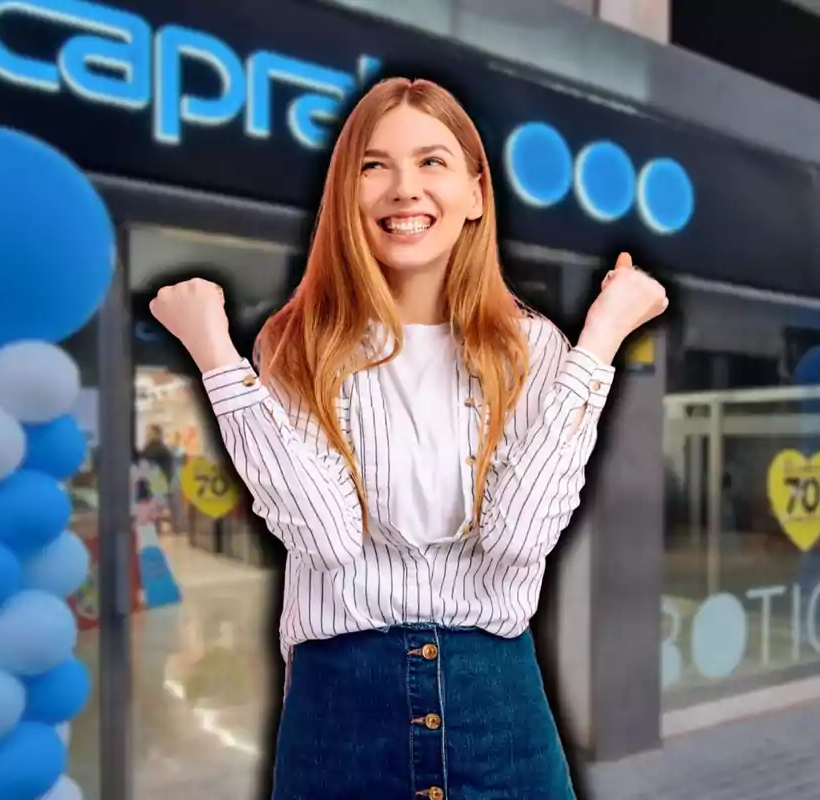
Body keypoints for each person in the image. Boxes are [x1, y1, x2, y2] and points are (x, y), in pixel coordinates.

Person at [150, 77, 667, 799]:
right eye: (374, 165)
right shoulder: (298, 345)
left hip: (498, 703)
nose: (403, 188)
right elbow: (326, 539)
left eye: (431, 162)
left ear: (476, 193)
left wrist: (603, 336)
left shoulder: (532, 348)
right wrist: (215, 354)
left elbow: (519, 537)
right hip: (340, 707)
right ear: (345, 194)